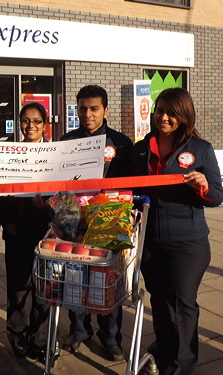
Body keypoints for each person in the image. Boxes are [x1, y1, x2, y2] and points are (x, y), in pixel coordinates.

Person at [131, 87, 223, 374]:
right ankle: (164, 349)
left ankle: (182, 365)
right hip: (150, 242)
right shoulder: (142, 148)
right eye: (159, 111)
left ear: (184, 116)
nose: (164, 117)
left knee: (183, 304)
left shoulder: (201, 149)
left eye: (171, 113)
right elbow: (131, 189)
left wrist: (204, 186)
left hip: (188, 243)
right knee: (159, 300)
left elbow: (218, 195)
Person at [60, 85, 133, 362]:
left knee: (107, 283)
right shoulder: (67, 140)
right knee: (76, 279)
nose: (87, 114)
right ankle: (80, 330)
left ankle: (111, 336)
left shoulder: (122, 143)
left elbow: (130, 186)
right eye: (82, 109)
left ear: (106, 110)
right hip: (75, 223)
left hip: (108, 223)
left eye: (94, 109)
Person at [2, 102, 53, 362]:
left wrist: (46, 205)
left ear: (45, 125)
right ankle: (17, 334)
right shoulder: (9, 153)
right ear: (19, 123)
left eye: (36, 121)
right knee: (19, 285)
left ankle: (41, 339)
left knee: (45, 287)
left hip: (47, 231)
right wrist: (6, 220)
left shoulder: (55, 154)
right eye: (25, 120)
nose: (30, 125)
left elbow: (64, 193)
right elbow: (1, 193)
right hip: (16, 227)